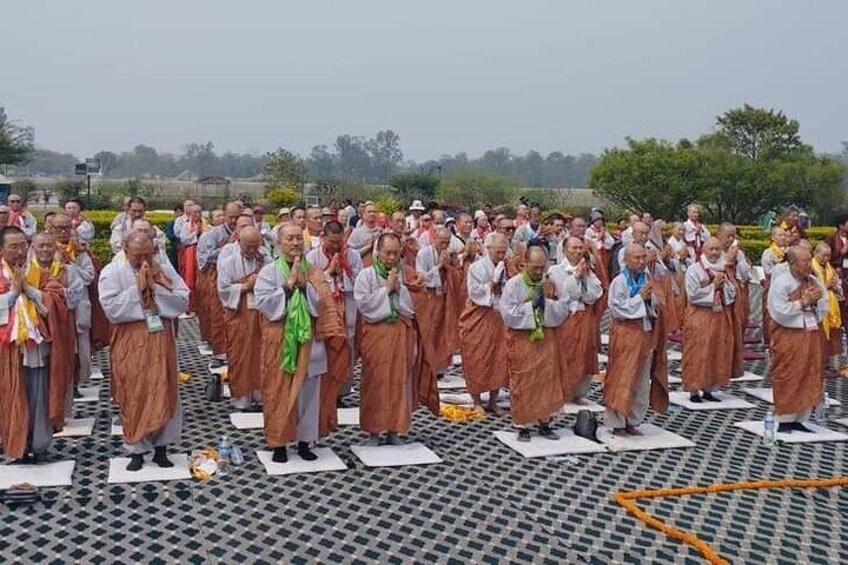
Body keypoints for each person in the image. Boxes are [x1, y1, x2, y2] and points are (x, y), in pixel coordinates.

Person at [254, 223, 345, 463]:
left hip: (310, 343)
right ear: (279, 243)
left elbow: (325, 304)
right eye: (289, 239)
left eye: (298, 238)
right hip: (282, 341)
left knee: (309, 395)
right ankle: (279, 443)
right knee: (278, 392)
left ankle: (305, 442)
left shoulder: (315, 272)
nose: (295, 243)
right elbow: (264, 305)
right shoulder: (269, 272)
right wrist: (287, 285)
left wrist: (305, 285)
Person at [99, 231, 189, 470]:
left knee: (164, 389)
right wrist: (138, 290)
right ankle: (136, 449)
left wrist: (155, 288)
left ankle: (162, 448)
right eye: (138, 256)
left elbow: (182, 300)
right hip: (130, 342)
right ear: (125, 251)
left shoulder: (164, 271)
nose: (144, 260)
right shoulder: (113, 272)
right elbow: (111, 309)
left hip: (161, 340)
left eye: (148, 254)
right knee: (134, 392)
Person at [355, 232, 437, 445]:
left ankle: (394, 430)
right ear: (378, 252)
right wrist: (387, 290)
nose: (391, 258)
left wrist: (400, 289)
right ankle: (374, 431)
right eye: (387, 253)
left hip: (401, 335)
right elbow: (364, 306)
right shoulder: (366, 275)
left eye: (395, 253)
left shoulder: (408, 274)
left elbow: (415, 307)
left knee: (400, 381)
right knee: (375, 382)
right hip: (376, 336)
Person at [500, 245, 570, 441]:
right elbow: (508, 314)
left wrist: (548, 301)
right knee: (523, 381)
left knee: (547, 380)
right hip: (523, 340)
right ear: (525, 263)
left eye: (542, 267)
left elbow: (563, 309)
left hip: (546, 339)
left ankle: (544, 422)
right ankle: (522, 424)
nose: (539, 272)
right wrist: (532, 305)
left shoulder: (552, 283)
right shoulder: (514, 284)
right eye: (535, 267)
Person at [0, 228, 58, 462]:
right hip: (8, 347)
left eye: (23, 245)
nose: (20, 251)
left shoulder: (37, 272)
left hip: (36, 345)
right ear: (2, 249)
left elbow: (56, 301)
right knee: (11, 395)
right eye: (13, 247)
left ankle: (39, 444)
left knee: (38, 395)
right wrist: (13, 294)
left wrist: (31, 291)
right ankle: (17, 445)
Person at [603, 244, 667, 436]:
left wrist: (651, 299)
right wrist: (640, 298)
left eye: (642, 258)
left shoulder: (647, 278)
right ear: (626, 260)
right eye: (636, 258)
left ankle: (632, 419)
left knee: (640, 380)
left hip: (645, 333)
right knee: (622, 377)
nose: (640, 262)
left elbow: (658, 304)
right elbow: (617, 310)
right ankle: (617, 421)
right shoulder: (620, 281)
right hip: (625, 334)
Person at [767, 246, 827, 433]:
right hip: (788, 335)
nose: (809, 265)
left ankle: (801, 417)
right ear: (792, 263)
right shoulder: (782, 283)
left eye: (810, 260)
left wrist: (815, 302)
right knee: (788, 373)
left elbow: (824, 306)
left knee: (809, 372)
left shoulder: (813, 281)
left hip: (809, 334)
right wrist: (803, 302)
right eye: (805, 261)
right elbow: (778, 310)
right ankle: (784, 417)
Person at [306, 221, 363, 395]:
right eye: (332, 242)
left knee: (346, 347)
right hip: (324, 310)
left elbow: (360, 282)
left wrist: (343, 272)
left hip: (347, 307)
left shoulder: (353, 255)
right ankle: (324, 390)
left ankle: (343, 389)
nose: (336, 246)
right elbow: (310, 285)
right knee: (326, 348)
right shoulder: (312, 257)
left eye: (339, 242)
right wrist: (329, 273)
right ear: (323, 237)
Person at [216, 226, 267, 412]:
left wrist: (260, 283)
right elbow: (223, 289)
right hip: (239, 314)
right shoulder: (228, 261)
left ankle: (260, 394)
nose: (252, 251)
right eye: (248, 247)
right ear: (239, 242)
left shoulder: (265, 258)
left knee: (262, 354)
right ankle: (241, 398)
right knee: (241, 354)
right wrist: (246, 286)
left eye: (256, 246)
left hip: (261, 314)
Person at [549, 236, 603, 405]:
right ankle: (562, 389)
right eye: (574, 248)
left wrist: (584, 276)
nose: (578, 251)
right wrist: (576, 277)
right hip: (566, 318)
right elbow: (566, 293)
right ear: (565, 250)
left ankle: (579, 392)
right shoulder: (555, 270)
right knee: (566, 354)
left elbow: (594, 296)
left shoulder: (590, 271)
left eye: (580, 248)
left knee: (586, 352)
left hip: (585, 316)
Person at [459, 234, 509, 415]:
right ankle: (477, 399)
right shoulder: (476, 267)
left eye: (503, 252)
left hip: (499, 317)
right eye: (498, 252)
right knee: (477, 356)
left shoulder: (507, 266)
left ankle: (494, 400)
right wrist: (492, 284)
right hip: (479, 316)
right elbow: (475, 292)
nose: (501, 256)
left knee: (500, 358)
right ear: (488, 249)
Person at [682, 238, 735, 402]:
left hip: (718, 316)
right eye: (711, 249)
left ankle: (709, 388)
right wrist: (713, 286)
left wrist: (724, 286)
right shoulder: (694, 270)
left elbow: (732, 294)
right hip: (699, 316)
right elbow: (693, 295)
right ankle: (693, 390)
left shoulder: (722, 270)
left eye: (717, 249)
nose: (714, 253)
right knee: (697, 352)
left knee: (715, 351)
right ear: (704, 251)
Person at [49, 213, 97, 387]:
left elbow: (90, 277)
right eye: (58, 228)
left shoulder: (80, 251)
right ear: (50, 229)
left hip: (78, 305)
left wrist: (71, 265)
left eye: (66, 228)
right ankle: (62, 385)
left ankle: (77, 382)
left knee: (81, 351)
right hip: (54, 310)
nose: (63, 231)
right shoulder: (44, 250)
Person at [196, 202, 240, 366]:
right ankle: (220, 353)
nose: (234, 221)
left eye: (237, 217)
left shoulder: (245, 231)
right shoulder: (213, 234)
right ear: (225, 216)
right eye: (231, 217)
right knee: (218, 315)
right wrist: (230, 245)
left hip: (238, 278)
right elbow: (207, 257)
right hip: (216, 276)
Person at [416, 227, 454, 376]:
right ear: (434, 239)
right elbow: (421, 277)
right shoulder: (424, 253)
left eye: (447, 242)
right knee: (428, 330)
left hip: (443, 296)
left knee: (442, 332)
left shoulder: (448, 254)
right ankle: (426, 365)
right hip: (428, 296)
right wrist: (439, 266)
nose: (444, 246)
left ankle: (439, 365)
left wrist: (448, 267)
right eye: (442, 242)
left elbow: (453, 274)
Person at [717, 223, 753, 376]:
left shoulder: (738, 253)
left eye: (733, 236)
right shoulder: (712, 250)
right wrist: (726, 262)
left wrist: (738, 260)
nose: (730, 240)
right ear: (719, 234)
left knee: (736, 328)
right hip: (717, 298)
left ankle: (731, 366)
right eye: (728, 236)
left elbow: (746, 276)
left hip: (736, 295)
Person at [811, 243, 843, 376]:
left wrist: (835, 285)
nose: (825, 259)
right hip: (818, 306)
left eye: (828, 256)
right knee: (819, 335)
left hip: (831, 304)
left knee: (831, 335)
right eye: (823, 255)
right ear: (815, 253)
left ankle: (827, 363)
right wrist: (826, 285)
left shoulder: (830, 267)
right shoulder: (811, 267)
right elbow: (812, 286)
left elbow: (837, 285)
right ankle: (816, 362)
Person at [760, 227, 789, 344]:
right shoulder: (768, 252)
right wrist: (782, 266)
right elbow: (768, 270)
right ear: (773, 237)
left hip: (788, 287)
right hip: (772, 286)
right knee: (770, 313)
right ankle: (770, 339)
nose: (783, 237)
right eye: (780, 235)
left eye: (784, 235)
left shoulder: (790, 251)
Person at [177, 204, 205, 314]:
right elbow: (184, 240)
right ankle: (191, 307)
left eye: (199, 212)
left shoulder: (206, 225)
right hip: (190, 254)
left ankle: (202, 306)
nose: (198, 215)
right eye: (195, 212)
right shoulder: (186, 226)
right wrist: (196, 233)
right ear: (190, 214)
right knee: (191, 279)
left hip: (203, 254)